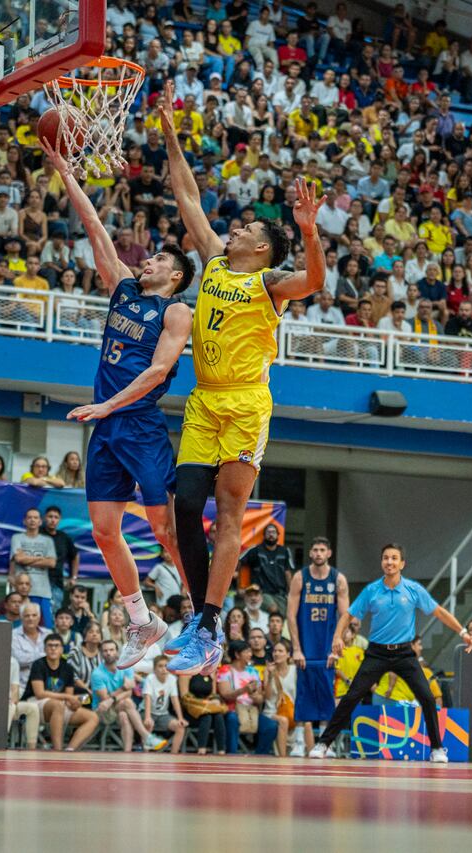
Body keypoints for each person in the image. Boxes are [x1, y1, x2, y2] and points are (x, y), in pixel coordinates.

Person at [157, 80, 327, 677]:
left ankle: (205, 622)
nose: (234, 230)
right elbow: (188, 200)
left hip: (247, 404)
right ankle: (203, 621)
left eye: (247, 229)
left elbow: (314, 283)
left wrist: (309, 231)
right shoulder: (213, 262)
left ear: (263, 247)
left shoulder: (269, 283)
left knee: (229, 513)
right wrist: (172, 136)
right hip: (204, 400)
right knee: (184, 505)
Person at [43, 146, 193, 670]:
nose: (145, 259)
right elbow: (94, 229)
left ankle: (202, 616)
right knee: (105, 530)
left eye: (158, 260)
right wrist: (67, 174)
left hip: (141, 426)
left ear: (175, 276)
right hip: (107, 426)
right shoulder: (124, 291)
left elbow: (156, 374)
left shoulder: (177, 312)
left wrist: (105, 404)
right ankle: (141, 619)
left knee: (165, 531)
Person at [309, 544, 472, 763]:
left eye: (394, 558)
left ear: (402, 564)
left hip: (404, 654)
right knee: (352, 696)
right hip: (376, 653)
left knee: (427, 697)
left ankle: (437, 748)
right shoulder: (371, 590)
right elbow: (347, 616)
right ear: (382, 562)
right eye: (386, 558)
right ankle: (323, 744)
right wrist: (337, 637)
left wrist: (462, 632)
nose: (390, 562)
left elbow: (440, 612)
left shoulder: (413, 590)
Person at [287, 536, 348, 753]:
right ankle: (299, 743)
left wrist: (337, 648)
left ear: (329, 553)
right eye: (315, 550)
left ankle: (325, 743)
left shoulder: (338, 579)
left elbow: (345, 616)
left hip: (327, 647)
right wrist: (296, 648)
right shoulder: (300, 577)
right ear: (310, 553)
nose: (319, 553)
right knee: (303, 692)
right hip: (305, 645)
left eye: (323, 549)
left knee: (326, 693)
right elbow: (291, 615)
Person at [24, 633, 100, 751]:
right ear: (44, 649)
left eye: (56, 646)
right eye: (50, 646)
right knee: (57, 705)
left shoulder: (67, 668)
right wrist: (67, 698)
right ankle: (58, 750)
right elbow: (40, 693)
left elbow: (69, 695)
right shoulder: (38, 664)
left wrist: (73, 702)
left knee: (93, 717)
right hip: (35, 703)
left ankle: (69, 750)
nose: (53, 648)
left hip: (59, 704)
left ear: (62, 650)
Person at [91, 639, 168, 752]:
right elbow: (105, 700)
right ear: (101, 653)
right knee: (127, 702)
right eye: (105, 650)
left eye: (111, 650)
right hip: (102, 711)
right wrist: (122, 688)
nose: (108, 653)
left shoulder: (126, 667)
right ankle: (147, 737)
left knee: (124, 715)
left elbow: (129, 691)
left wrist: (118, 695)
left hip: (119, 707)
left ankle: (127, 752)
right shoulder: (97, 674)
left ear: (117, 652)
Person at [10, 508, 57, 628]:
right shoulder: (17, 538)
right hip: (21, 591)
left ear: (40, 521)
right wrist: (42, 559)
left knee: (46, 628)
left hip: (43, 592)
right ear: (24, 521)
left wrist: (26, 559)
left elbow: (52, 563)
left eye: (36, 518)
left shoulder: (47, 540)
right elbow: (19, 559)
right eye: (29, 517)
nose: (32, 520)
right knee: (20, 627)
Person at [237, 522, 294, 613]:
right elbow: (240, 562)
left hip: (281, 593)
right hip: (261, 592)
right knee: (273, 609)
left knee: (284, 616)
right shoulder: (256, 550)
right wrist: (240, 586)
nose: (271, 535)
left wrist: (292, 593)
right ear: (264, 535)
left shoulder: (285, 551)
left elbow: (288, 572)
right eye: (268, 532)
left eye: (273, 532)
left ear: (278, 535)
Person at [142, 655, 190, 753]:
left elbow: (175, 700)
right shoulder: (150, 678)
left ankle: (173, 755)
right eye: (160, 666)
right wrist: (147, 717)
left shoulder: (172, 679)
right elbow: (148, 698)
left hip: (163, 714)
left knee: (180, 727)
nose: (164, 669)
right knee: (149, 724)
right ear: (154, 669)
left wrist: (180, 718)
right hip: (147, 711)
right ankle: (145, 754)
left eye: (166, 666)